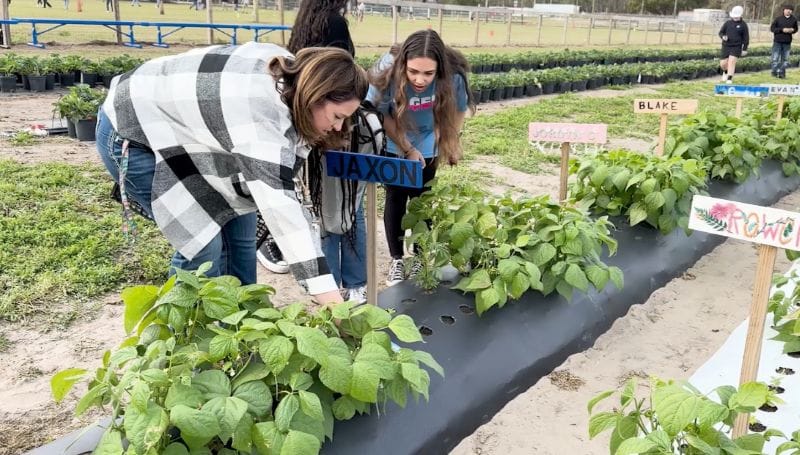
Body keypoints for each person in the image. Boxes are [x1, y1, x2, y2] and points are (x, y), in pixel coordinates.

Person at [95, 44, 368, 307]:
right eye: (337, 116)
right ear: (314, 96)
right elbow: (282, 212)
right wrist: (332, 302)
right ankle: (184, 343)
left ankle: (242, 330)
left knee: (241, 239)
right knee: (203, 246)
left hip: (194, 131)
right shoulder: (260, 115)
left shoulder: (292, 77)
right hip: (134, 129)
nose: (338, 126)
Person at [367, 29, 475, 286]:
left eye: (428, 74)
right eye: (413, 71)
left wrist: (448, 140)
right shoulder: (388, 69)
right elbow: (381, 113)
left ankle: (418, 257)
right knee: (395, 195)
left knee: (422, 198)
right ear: (403, 63)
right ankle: (396, 259)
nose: (419, 80)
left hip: (429, 137)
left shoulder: (454, 76)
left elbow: (458, 110)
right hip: (396, 135)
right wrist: (407, 148)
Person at [257, 0, 355, 277]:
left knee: (294, 176)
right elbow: (339, 72)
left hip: (306, 105)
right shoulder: (334, 22)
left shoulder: (307, 19)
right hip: (320, 104)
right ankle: (280, 241)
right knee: (300, 184)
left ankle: (281, 240)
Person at [282, 0, 370, 303]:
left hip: (312, 124)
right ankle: (352, 286)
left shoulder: (306, 22)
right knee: (350, 204)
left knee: (322, 207)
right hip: (328, 134)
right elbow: (346, 77)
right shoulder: (335, 23)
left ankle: (331, 284)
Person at [719, 5, 749, 84]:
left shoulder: (743, 25)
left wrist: (745, 49)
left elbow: (746, 38)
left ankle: (729, 78)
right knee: (723, 64)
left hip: (736, 46)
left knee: (732, 61)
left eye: (737, 16)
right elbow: (721, 32)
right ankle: (725, 71)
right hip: (726, 46)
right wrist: (723, 37)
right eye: (734, 16)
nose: (735, 18)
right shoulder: (727, 23)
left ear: (740, 16)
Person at [770, 4, 798, 78]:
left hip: (787, 42)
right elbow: (772, 29)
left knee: (785, 59)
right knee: (775, 58)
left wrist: (792, 30)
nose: (788, 11)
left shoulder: (794, 20)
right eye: (787, 9)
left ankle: (782, 73)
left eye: (790, 10)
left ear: (791, 11)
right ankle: (774, 72)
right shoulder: (778, 19)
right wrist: (782, 30)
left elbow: (796, 29)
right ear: (784, 10)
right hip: (777, 41)